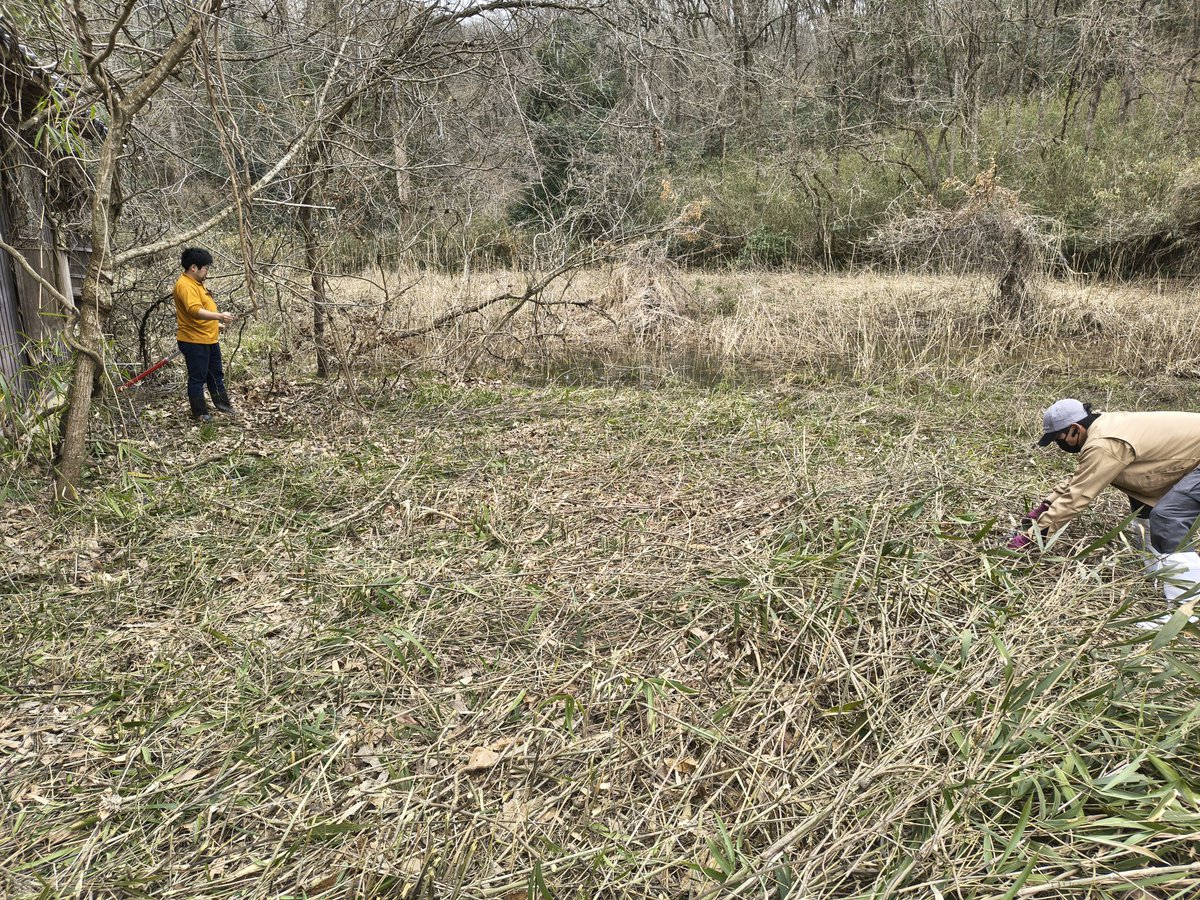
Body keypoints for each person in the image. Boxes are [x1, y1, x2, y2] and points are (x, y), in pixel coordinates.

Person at [1008, 398, 1200, 553]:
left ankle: (1186, 592)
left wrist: (1032, 537)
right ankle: (1158, 571)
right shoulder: (1104, 424)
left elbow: (1077, 497)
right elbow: (1082, 476)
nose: (1061, 445)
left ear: (1075, 428)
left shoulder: (1104, 443)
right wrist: (1046, 506)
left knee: (1168, 517)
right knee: (1143, 511)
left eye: (1060, 438)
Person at [174, 247, 235, 422]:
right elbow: (194, 311)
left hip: (208, 338)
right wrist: (220, 316)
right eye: (205, 268)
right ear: (194, 267)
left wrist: (216, 325)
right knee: (198, 378)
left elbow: (203, 310)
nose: (207, 271)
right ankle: (200, 414)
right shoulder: (185, 285)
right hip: (194, 341)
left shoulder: (197, 284)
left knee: (216, 374)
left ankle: (224, 406)